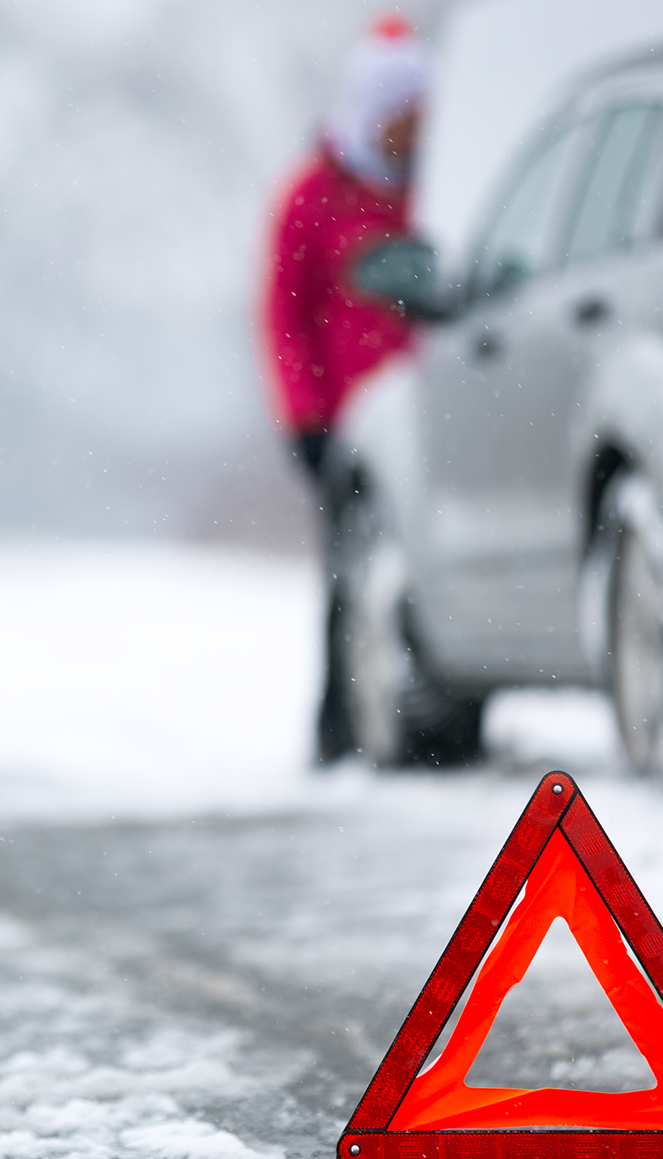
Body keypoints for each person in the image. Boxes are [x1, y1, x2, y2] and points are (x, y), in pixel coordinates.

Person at [257, 14, 431, 763]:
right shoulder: (312, 197)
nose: (410, 135)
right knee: (350, 572)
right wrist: (306, 420)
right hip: (348, 425)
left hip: (428, 417)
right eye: (400, 119)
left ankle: (427, 719)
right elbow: (284, 316)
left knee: (423, 564)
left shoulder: (434, 189)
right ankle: (340, 728)